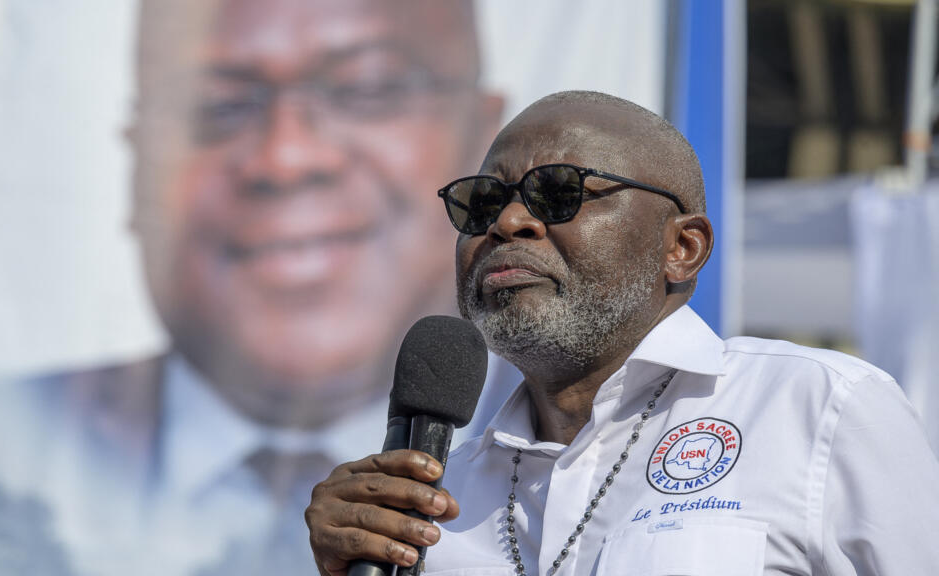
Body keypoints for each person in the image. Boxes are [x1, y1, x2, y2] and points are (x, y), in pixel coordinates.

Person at [0, 1, 516, 574]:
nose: (286, 157)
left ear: (482, 142)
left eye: (367, 88)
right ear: (136, 160)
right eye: (219, 106)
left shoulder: (550, 465)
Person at [305, 91, 939, 575]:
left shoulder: (817, 410)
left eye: (558, 192)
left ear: (682, 248)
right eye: (482, 202)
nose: (509, 221)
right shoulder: (435, 505)